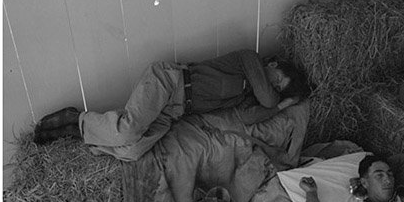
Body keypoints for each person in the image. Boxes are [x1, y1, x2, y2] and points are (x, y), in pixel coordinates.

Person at [34, 50, 308, 162]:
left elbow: (248, 117)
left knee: (133, 151)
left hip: (174, 111)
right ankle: (76, 119)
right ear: (273, 64)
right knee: (128, 131)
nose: (273, 86)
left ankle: (84, 135)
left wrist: (283, 105)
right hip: (170, 82)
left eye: (278, 88)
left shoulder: (249, 96)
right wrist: (279, 101)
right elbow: (269, 100)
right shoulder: (249, 60)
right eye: (278, 79)